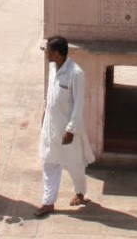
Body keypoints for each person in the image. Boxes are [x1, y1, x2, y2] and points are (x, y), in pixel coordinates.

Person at [35, 36, 94, 217]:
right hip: (50, 127)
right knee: (48, 161)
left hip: (67, 130)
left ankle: (80, 192)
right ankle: (48, 202)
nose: (46, 53)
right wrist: (45, 113)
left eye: (48, 50)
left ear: (57, 52)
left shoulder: (76, 73)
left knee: (74, 164)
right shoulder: (52, 68)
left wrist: (70, 130)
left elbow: (78, 105)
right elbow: (51, 94)